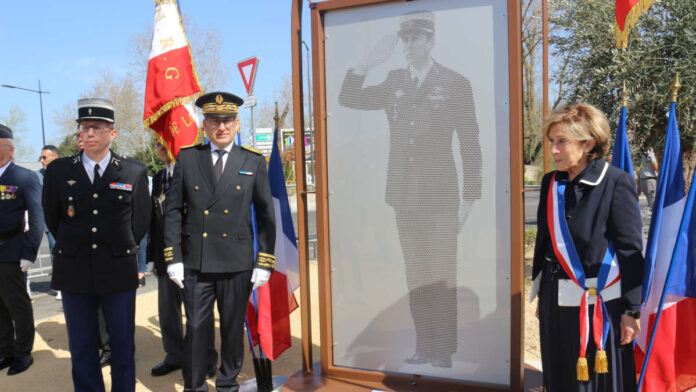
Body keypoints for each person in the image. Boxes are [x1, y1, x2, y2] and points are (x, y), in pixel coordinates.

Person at [338, 10, 481, 368]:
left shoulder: (454, 82)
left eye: (416, 37)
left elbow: (470, 142)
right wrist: (362, 65)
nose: (408, 44)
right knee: (416, 274)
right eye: (404, 38)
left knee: (442, 274)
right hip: (404, 194)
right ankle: (424, 345)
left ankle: (443, 350)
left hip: (442, 194)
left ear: (431, 41)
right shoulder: (393, 80)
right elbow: (348, 98)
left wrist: (470, 197)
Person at [164, 91, 276, 391]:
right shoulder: (188, 158)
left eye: (227, 121)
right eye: (215, 121)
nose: (221, 127)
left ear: (237, 124)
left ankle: (227, 385)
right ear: (205, 125)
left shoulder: (252, 160)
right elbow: (172, 211)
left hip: (237, 262)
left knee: (231, 330)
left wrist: (264, 261)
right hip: (197, 262)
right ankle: (195, 385)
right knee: (197, 330)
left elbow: (266, 215)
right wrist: (173, 258)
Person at [531, 103, 644, 391]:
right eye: (552, 141)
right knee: (560, 378)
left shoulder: (616, 182)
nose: (553, 149)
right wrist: (543, 295)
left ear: (588, 144)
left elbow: (630, 251)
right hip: (556, 302)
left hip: (601, 307)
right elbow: (546, 243)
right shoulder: (550, 182)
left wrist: (631, 311)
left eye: (562, 142)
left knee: (597, 383)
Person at [42, 98, 151, 391]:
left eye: (97, 127)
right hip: (74, 270)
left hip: (118, 270)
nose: (89, 133)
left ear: (112, 133)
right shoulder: (58, 171)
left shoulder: (132, 171)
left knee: (122, 344)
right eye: (84, 127)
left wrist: (123, 248)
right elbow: (53, 218)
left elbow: (140, 222)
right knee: (82, 345)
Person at [149, 142, 218, 378]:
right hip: (165, 256)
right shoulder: (159, 177)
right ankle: (174, 355)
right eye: (158, 144)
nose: (161, 149)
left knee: (199, 313)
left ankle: (206, 360)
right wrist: (151, 257)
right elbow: (154, 220)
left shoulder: (196, 171)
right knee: (168, 312)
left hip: (192, 256)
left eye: (165, 143)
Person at [0, 123, 43, 375]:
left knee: (17, 304)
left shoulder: (24, 177)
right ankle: (4, 350)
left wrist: (30, 253)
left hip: (12, 250)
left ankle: (23, 352)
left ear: (10, 148)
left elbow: (37, 219)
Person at [37, 145, 60, 298]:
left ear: (55, 158)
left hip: (63, 220)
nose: (41, 161)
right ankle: (59, 284)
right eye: (41, 157)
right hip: (46, 221)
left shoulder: (64, 173)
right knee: (54, 251)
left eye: (45, 157)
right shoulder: (37, 176)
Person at [638, 146, 658, 211]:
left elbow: (639, 171)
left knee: (649, 201)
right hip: (650, 179)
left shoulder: (642, 157)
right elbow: (654, 165)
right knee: (653, 202)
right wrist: (659, 171)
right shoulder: (650, 154)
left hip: (643, 180)